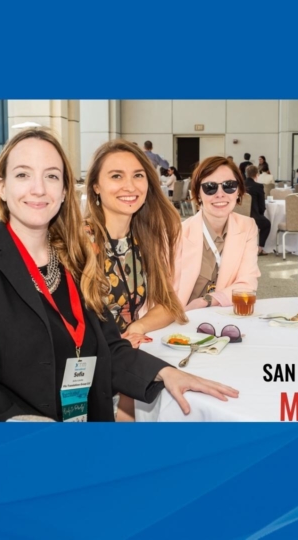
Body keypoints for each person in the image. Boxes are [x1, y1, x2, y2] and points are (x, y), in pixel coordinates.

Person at [0, 128, 237, 422]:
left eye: (51, 176)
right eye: (23, 175)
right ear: (1, 187)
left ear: (65, 191)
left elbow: (109, 346)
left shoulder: (75, 261)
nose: (39, 188)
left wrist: (165, 372)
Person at [83, 139, 189, 420]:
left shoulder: (145, 239)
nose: (130, 186)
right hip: (86, 367)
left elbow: (169, 305)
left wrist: (137, 326)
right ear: (96, 185)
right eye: (116, 176)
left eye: (138, 175)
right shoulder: (80, 242)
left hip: (124, 358)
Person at [173, 156, 261, 310]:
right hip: (181, 319)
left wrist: (206, 301)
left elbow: (248, 283)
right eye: (210, 187)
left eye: (229, 185)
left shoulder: (247, 227)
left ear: (239, 190)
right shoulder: (177, 233)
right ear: (198, 193)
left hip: (224, 317)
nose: (220, 194)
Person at [244, 165, 272, 255]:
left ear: (246, 174)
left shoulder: (239, 185)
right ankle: (259, 248)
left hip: (237, 216)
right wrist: (260, 215)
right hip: (253, 217)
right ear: (257, 174)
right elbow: (261, 206)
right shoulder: (258, 186)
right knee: (266, 224)